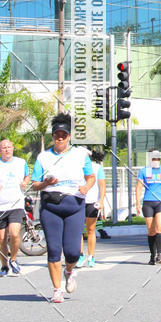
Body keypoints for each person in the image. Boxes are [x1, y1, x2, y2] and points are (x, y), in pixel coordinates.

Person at [30, 113, 95, 303]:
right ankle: (57, 289)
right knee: (54, 249)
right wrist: (45, 183)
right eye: (57, 135)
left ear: (69, 136)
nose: (60, 138)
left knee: (73, 251)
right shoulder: (43, 157)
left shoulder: (80, 154)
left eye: (64, 135)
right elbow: (34, 184)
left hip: (74, 205)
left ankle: (69, 270)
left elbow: (90, 177)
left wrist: (86, 187)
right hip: (51, 206)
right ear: (52, 136)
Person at [135, 151, 161, 265]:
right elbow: (138, 187)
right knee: (151, 230)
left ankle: (160, 254)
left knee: (159, 227)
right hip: (148, 202)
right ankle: (152, 255)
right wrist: (137, 203)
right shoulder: (144, 171)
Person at [0, 138, 30, 276]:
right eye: (3, 148)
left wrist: (24, 182)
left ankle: (14, 259)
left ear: (12, 148)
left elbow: (27, 176)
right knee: (1, 239)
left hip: (16, 203)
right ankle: (4, 265)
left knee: (14, 233)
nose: (6, 150)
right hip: (1, 206)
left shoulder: (20, 162)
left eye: (8, 147)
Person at [76, 148, 106, 268]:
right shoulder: (75, 167)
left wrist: (101, 200)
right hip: (77, 200)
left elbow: (102, 185)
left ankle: (91, 256)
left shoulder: (97, 167)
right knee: (77, 230)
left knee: (90, 230)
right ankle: (80, 255)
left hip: (92, 201)